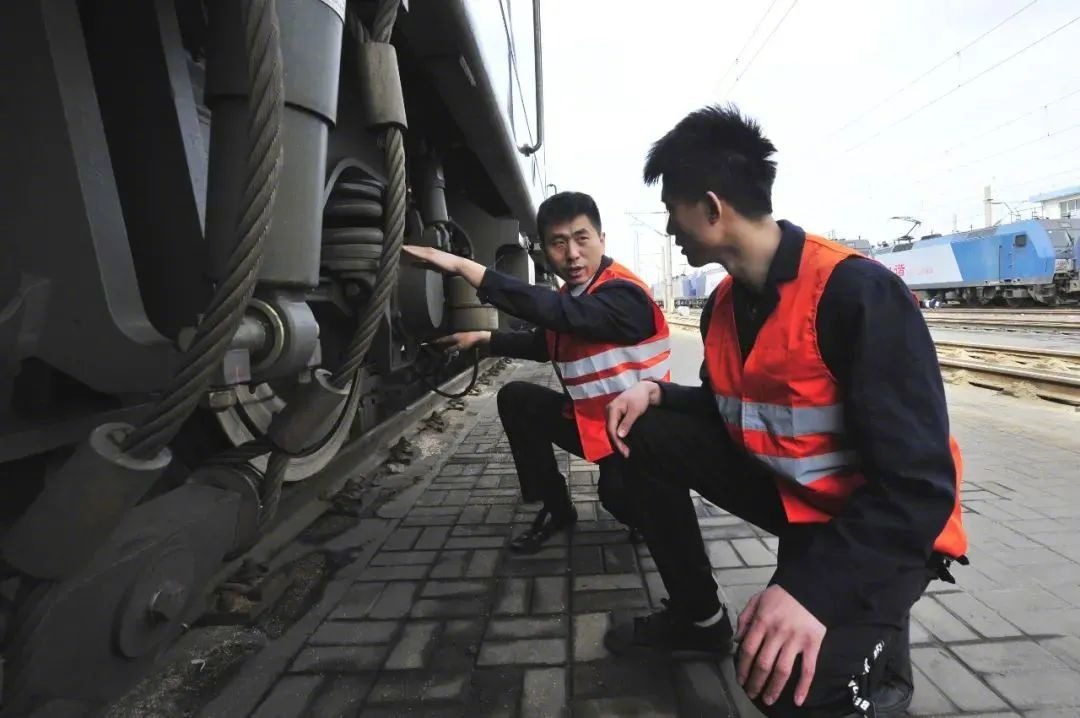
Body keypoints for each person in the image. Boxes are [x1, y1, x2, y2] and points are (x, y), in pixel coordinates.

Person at [601, 105, 968, 717]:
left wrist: (809, 590)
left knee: (786, 683)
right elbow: (741, 409)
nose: (670, 229)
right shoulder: (723, 303)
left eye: (673, 211)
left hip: (886, 523)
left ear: (713, 209)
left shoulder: (854, 292)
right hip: (798, 498)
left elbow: (918, 487)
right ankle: (698, 618)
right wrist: (659, 394)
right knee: (646, 433)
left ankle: (874, 669)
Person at [402, 191, 671, 553]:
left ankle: (653, 513)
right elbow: (545, 344)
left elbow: (561, 316)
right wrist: (480, 337)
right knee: (517, 399)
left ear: (602, 240)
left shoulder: (624, 293)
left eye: (581, 239)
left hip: (639, 434)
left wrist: (463, 267)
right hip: (595, 424)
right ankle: (557, 508)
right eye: (559, 243)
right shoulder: (574, 295)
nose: (572, 254)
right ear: (544, 250)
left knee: (618, 497)